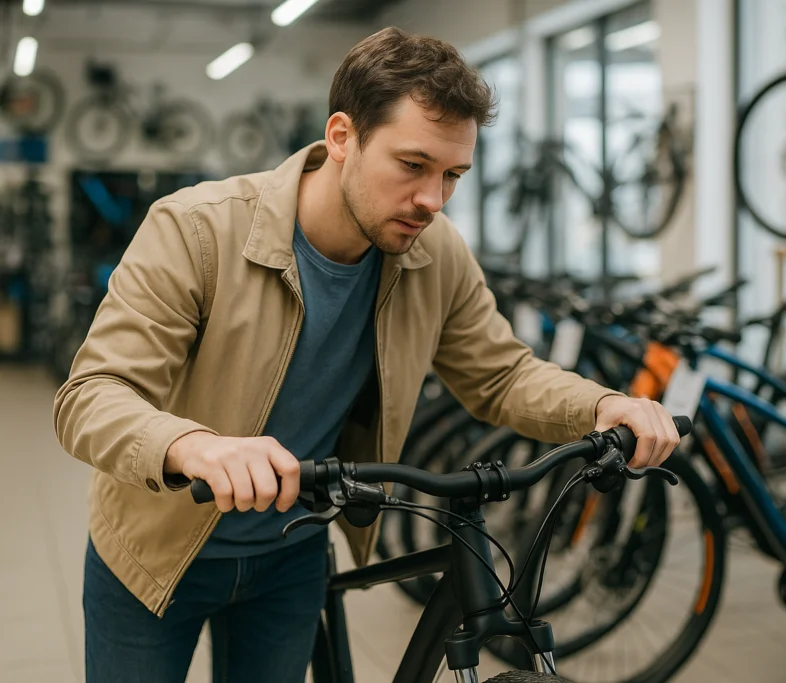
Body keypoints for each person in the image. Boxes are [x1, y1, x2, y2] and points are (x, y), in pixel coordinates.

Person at [53, 26, 681, 683]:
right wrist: (198, 445)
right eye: (413, 166)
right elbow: (92, 395)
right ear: (342, 137)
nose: (432, 201)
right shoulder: (197, 230)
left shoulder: (434, 252)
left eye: (453, 176)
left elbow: (501, 374)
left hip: (290, 551)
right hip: (154, 554)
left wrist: (606, 403)